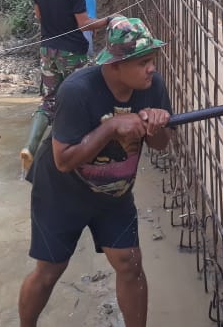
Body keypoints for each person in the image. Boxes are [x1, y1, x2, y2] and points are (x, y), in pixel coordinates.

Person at [18, 16, 173, 327]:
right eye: (143, 62)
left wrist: (156, 124)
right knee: (50, 270)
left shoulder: (151, 85)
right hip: (61, 192)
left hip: (113, 192)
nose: (152, 69)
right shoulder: (77, 91)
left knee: (130, 264)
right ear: (114, 65)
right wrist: (113, 126)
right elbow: (63, 160)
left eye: (152, 60)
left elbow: (160, 145)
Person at [19, 0, 115, 174]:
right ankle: (76, 152)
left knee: (49, 101)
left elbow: (39, 16)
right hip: (73, 53)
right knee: (80, 99)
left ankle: (30, 147)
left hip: (47, 51)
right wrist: (108, 21)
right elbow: (84, 25)